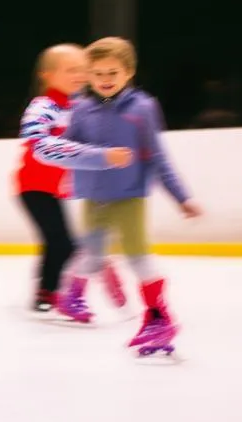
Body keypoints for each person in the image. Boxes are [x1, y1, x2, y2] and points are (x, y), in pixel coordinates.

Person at [35, 37, 200, 352]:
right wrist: (68, 176)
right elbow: (68, 149)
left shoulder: (142, 107)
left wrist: (181, 197)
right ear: (89, 75)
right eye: (98, 73)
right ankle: (73, 296)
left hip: (128, 196)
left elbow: (158, 156)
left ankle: (159, 318)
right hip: (93, 198)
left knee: (137, 256)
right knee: (92, 254)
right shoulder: (81, 109)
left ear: (129, 72)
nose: (105, 79)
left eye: (113, 72)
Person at [15, 44, 127, 313]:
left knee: (58, 241)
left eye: (83, 70)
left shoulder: (81, 108)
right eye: (71, 70)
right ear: (47, 75)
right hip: (32, 187)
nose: (80, 75)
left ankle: (48, 291)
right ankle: (54, 291)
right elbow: (36, 140)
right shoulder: (43, 106)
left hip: (55, 189)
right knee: (61, 241)